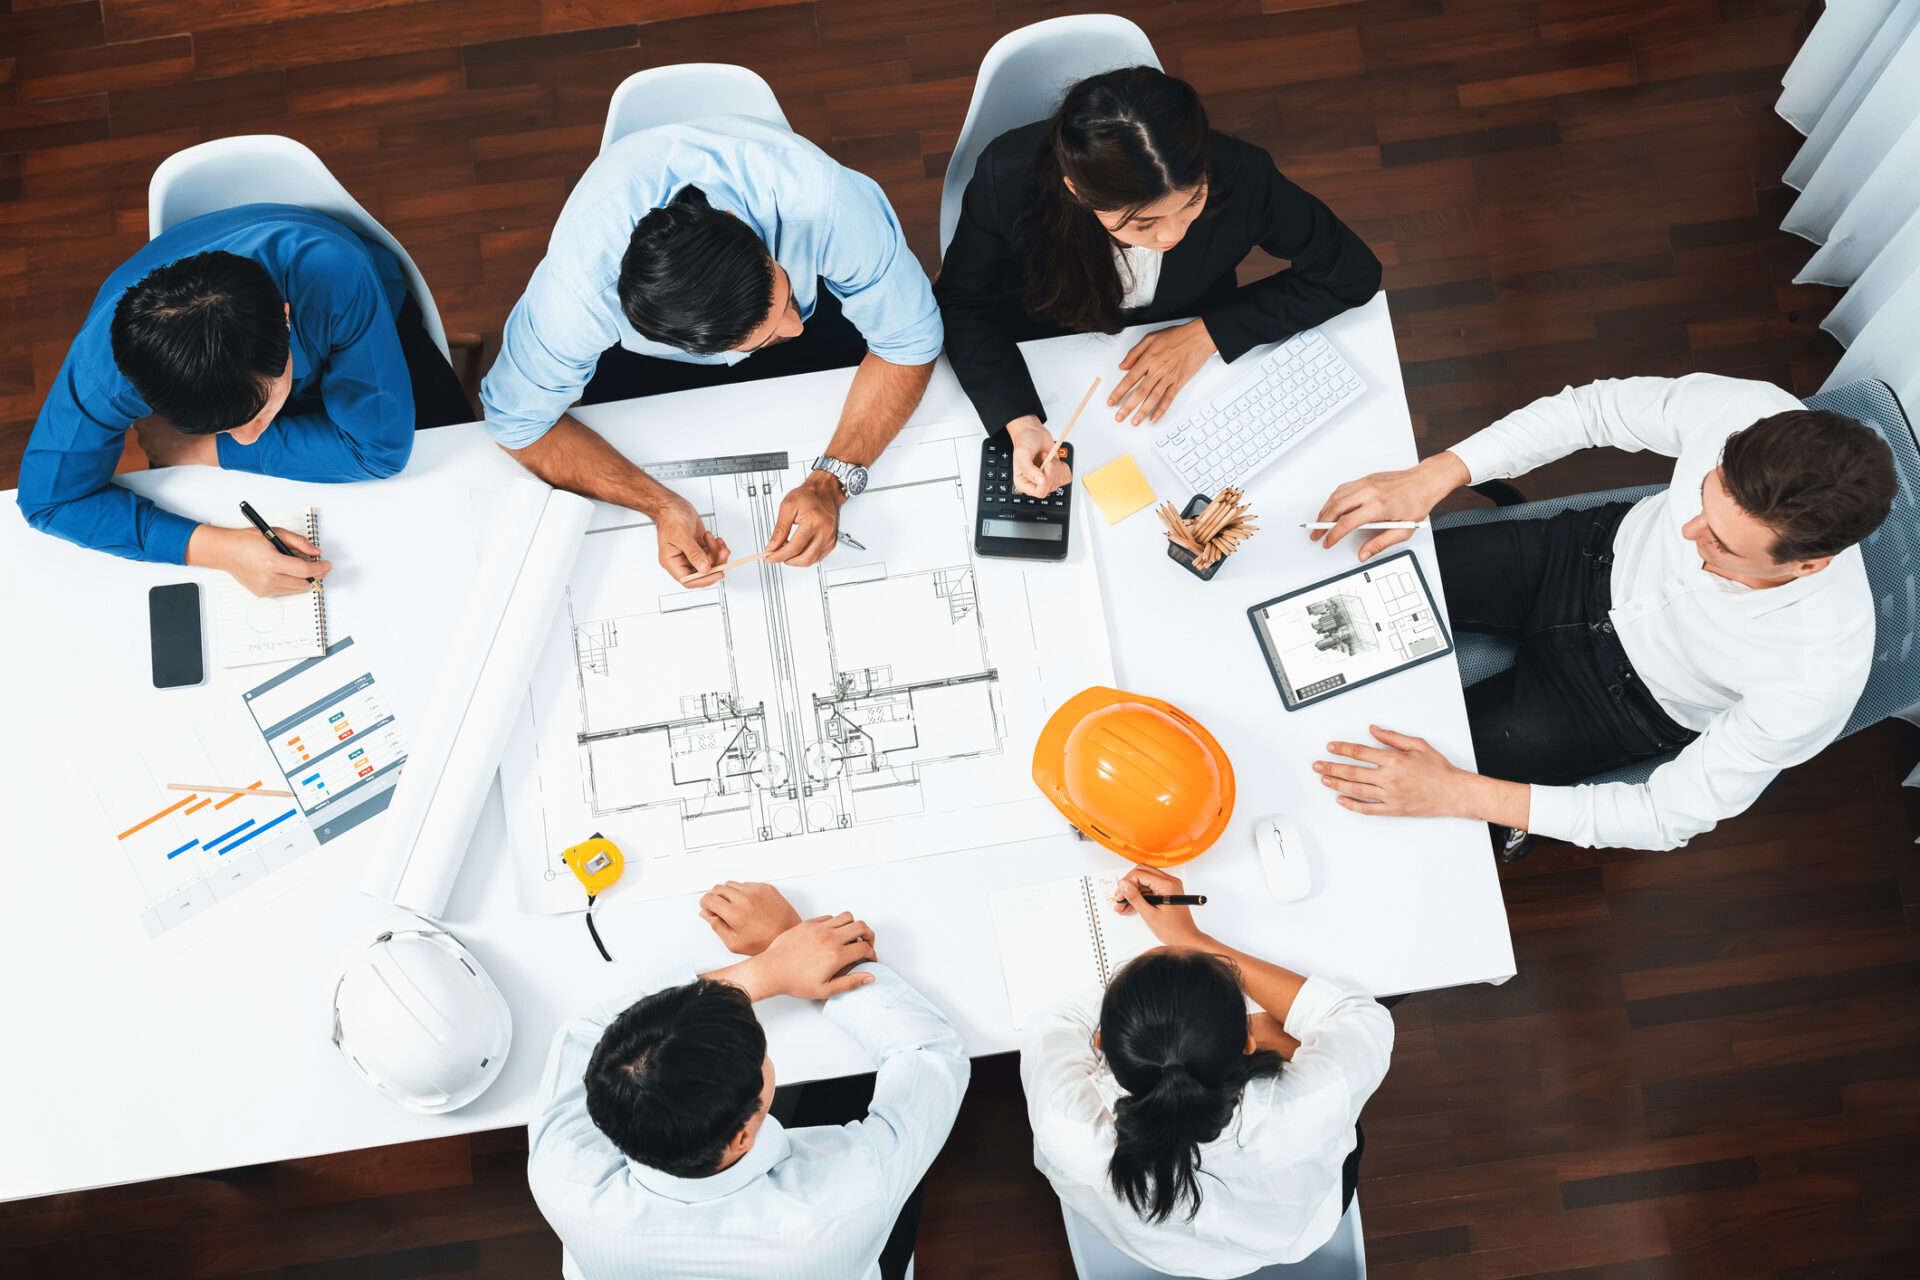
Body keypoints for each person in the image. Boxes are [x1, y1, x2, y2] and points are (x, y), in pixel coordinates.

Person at [1308, 373, 1899, 855]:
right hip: (1583, 557)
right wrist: (1438, 472)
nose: (1688, 531)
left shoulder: (1816, 678)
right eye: (1702, 496)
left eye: (1720, 543)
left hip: (1619, 702)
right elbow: (1592, 411)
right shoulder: (1747, 411)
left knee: (1368, 771)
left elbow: (1665, 815)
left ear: (1806, 567)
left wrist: (1462, 794)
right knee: (1325, 601)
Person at [482, 116, 944, 586]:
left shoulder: (824, 202)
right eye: (767, 334)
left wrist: (830, 483)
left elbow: (910, 340)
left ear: (735, 223)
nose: (796, 326)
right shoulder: (575, 299)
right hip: (648, 360)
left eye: (783, 295)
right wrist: (660, 505)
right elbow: (518, 424)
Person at [935, 66, 1381, 498]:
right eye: (1142, 224)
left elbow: (1351, 273)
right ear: (1077, 193)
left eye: (1192, 203)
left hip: (1191, 357)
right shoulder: (1006, 177)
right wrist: (1020, 420)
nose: (1171, 235)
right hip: (1048, 350)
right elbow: (962, 301)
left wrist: (1207, 333)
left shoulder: (1242, 172)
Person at [17, 204, 473, 596]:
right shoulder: (107, 370)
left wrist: (203, 447)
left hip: (365, 327)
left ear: (287, 320)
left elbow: (379, 451)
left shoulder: (335, 275)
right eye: (219, 428)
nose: (250, 437)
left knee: (456, 496)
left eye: (258, 413)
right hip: (247, 374)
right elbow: (48, 501)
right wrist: (216, 549)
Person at [526, 880, 969, 1280]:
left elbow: (585, 1033)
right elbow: (929, 1055)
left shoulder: (563, 1173)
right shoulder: (849, 1191)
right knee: (849, 1085)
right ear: (740, 1138)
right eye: (761, 1054)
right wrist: (796, 942)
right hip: (837, 1243)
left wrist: (772, 969)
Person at [1021, 865, 1392, 1277]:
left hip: (1160, 1253)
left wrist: (1151, 990)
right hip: (1296, 1233)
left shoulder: (1066, 1125)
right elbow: (1356, 1014)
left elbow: (1051, 1023)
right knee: (1294, 1039)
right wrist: (1191, 941)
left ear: (1102, 1044)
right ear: (1248, 1041)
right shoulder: (1315, 1101)